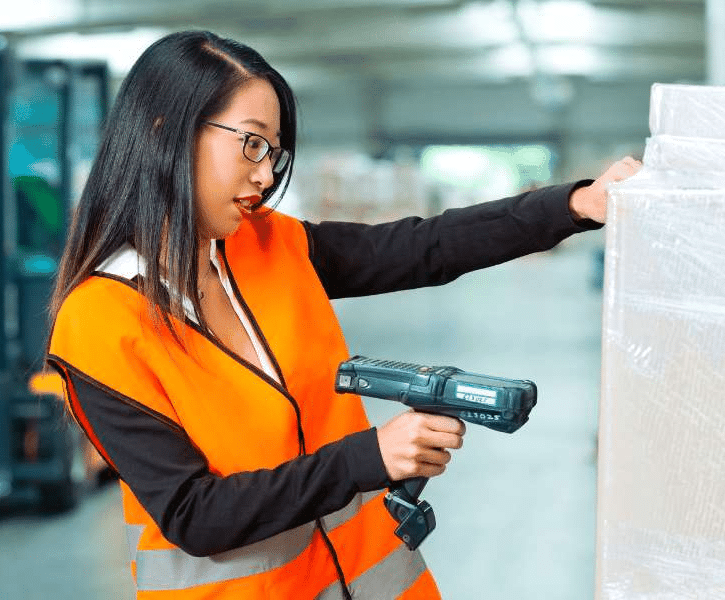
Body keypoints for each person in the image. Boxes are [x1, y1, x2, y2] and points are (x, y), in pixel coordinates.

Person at [45, 30, 641, 600]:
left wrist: (576, 204)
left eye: (273, 153)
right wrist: (369, 458)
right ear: (163, 131)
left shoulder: (269, 245)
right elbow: (192, 514)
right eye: (251, 143)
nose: (265, 175)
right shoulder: (100, 322)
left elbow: (424, 247)